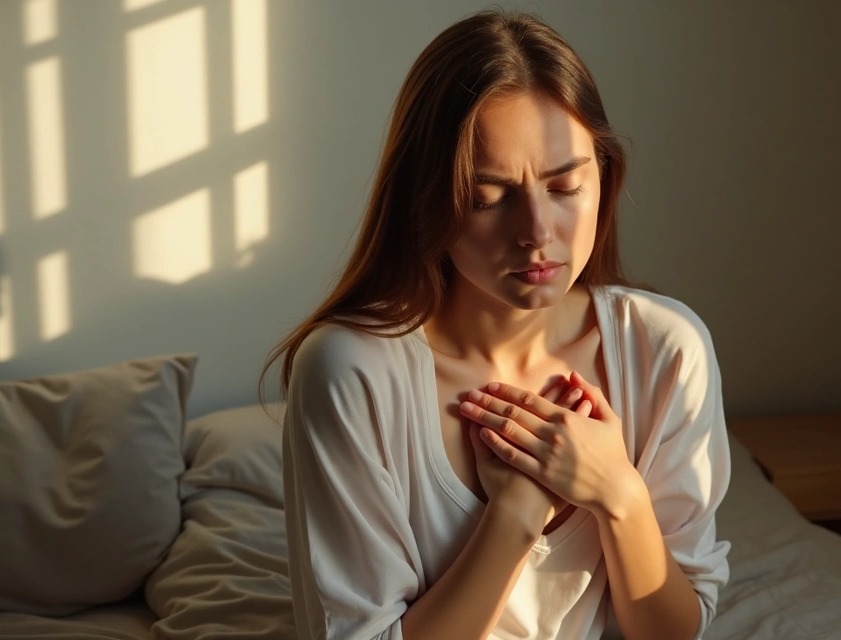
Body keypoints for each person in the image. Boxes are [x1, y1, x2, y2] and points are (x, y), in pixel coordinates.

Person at [264, 10, 731, 640]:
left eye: (566, 187)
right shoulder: (352, 372)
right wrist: (514, 517)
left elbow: (676, 632)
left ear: (605, 178)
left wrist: (618, 495)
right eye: (488, 198)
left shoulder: (666, 349)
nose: (537, 233)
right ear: (426, 200)